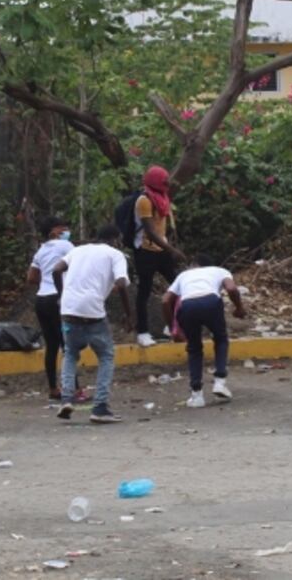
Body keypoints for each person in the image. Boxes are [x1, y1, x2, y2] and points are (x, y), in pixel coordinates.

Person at [51, 224, 133, 424]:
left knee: (70, 354)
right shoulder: (115, 254)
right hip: (93, 311)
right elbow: (122, 283)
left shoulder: (77, 250)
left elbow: (56, 270)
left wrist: (62, 295)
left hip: (69, 310)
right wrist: (129, 313)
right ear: (115, 239)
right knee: (106, 356)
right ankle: (100, 407)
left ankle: (67, 399)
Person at [162, 253, 246, 408]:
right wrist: (239, 308)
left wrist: (174, 328)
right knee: (220, 339)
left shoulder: (184, 275)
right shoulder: (219, 270)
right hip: (211, 302)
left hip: (188, 306)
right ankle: (219, 382)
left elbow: (166, 300)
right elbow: (232, 289)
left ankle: (197, 395)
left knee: (194, 348)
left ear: (194, 264)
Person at [133, 165, 186, 347]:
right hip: (145, 251)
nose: (167, 183)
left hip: (161, 249)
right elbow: (150, 231)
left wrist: (169, 244)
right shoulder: (144, 200)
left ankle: (171, 325)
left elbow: (162, 227)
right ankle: (142, 332)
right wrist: (172, 250)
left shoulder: (162, 198)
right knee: (144, 292)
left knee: (179, 286)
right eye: (163, 180)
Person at [27, 216, 75, 400]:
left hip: (42, 299)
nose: (66, 232)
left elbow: (31, 278)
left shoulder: (40, 251)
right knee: (68, 345)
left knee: (52, 346)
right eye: (63, 228)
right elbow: (77, 266)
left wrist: (45, 281)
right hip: (58, 298)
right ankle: (73, 389)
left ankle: (53, 388)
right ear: (54, 231)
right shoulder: (66, 247)